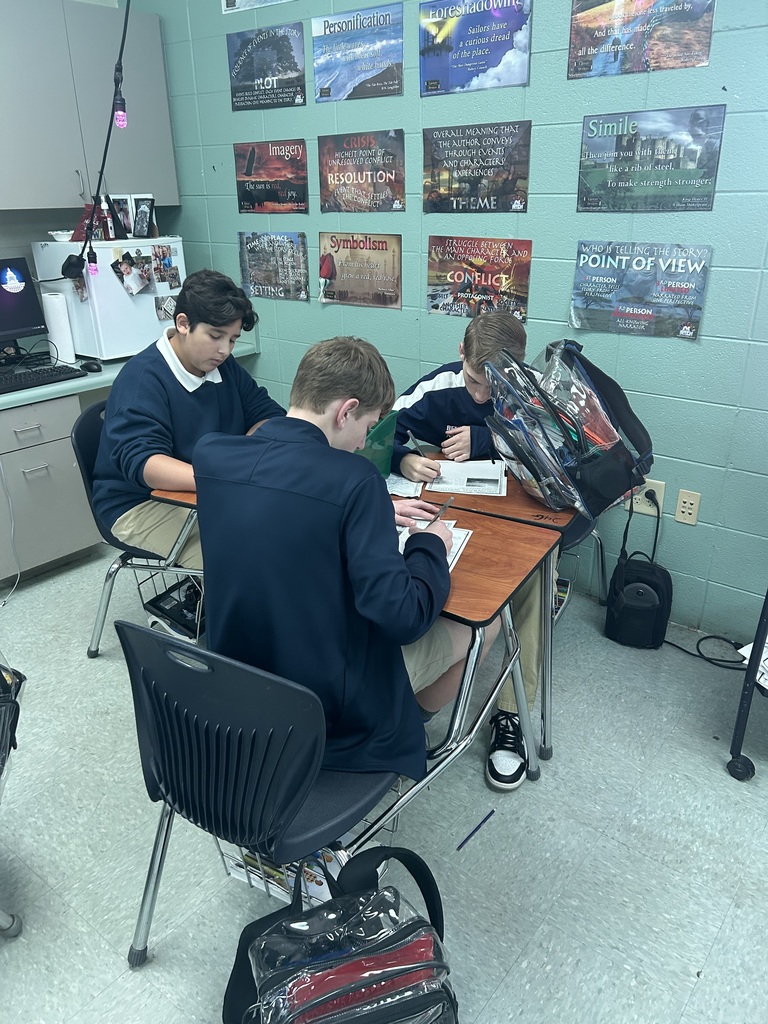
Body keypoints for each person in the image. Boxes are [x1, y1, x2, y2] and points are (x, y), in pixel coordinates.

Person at [193, 336, 499, 780]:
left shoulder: (213, 455)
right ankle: (410, 718)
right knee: (483, 623)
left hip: (237, 683)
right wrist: (430, 544)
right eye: (368, 426)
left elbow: (285, 505)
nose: (361, 445)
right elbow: (403, 617)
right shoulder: (356, 480)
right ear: (345, 411)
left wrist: (373, 513)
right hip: (325, 708)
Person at [390, 310, 540, 792]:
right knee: (426, 557)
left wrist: (488, 437)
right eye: (474, 381)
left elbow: (557, 455)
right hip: (458, 508)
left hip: (526, 516)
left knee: (534, 579)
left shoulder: (534, 392)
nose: (480, 396)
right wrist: (403, 457)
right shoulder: (440, 386)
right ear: (461, 354)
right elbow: (380, 431)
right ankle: (411, 696)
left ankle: (511, 715)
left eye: (493, 386)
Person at [92, 268, 286, 569]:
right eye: (215, 336)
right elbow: (145, 463)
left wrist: (244, 455)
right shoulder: (142, 379)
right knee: (241, 560)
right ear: (183, 324)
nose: (224, 350)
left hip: (207, 488)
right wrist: (223, 476)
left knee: (287, 532)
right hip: (140, 503)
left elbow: (268, 415)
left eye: (233, 339)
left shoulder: (221, 366)